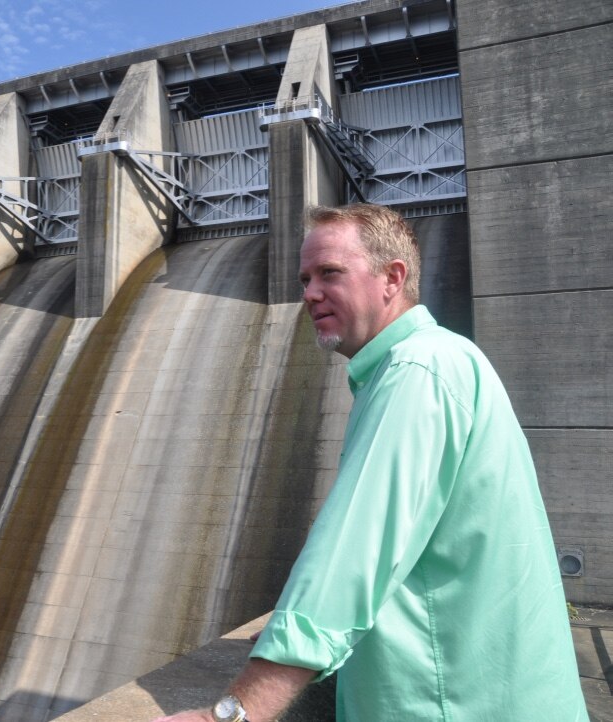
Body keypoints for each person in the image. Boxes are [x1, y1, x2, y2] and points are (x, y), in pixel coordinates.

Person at [153, 204, 588, 721]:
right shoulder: (438, 360)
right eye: (306, 278)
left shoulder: (417, 372)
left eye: (330, 273)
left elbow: (353, 554)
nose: (309, 293)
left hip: (450, 703)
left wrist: (232, 712)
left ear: (392, 278)